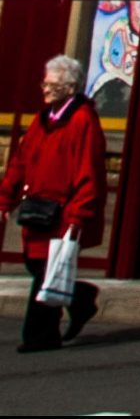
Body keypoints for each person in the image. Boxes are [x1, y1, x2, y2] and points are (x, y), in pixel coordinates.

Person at [3, 54, 106, 353]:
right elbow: (21, 161)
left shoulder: (83, 120)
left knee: (44, 272)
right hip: (37, 207)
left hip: (62, 211)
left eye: (51, 84)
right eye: (45, 83)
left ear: (69, 86)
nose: (44, 89)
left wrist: (78, 215)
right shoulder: (42, 119)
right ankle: (80, 299)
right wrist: (5, 198)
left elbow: (88, 170)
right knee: (35, 264)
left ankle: (40, 336)